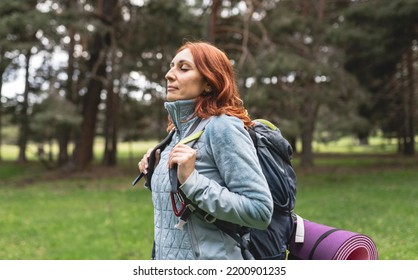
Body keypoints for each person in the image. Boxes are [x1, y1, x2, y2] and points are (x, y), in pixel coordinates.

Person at [138, 41, 273, 260]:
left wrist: (192, 180)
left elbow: (260, 210)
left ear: (209, 83)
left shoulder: (222, 127)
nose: (169, 75)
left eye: (183, 68)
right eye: (172, 66)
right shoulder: (176, 133)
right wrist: (155, 174)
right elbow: (182, 210)